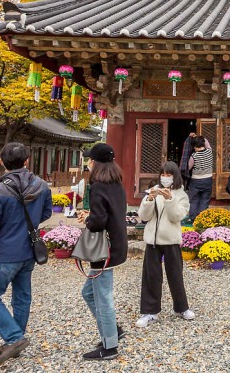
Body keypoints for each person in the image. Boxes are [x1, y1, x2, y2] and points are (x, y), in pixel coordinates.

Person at [0, 143, 52, 367]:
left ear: (2, 162)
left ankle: (14, 337)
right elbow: (46, 212)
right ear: (27, 160)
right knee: (21, 296)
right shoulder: (41, 185)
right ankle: (14, 340)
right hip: (28, 249)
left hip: (4, 252)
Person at [79, 143, 129, 361]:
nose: (88, 163)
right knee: (88, 293)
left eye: (90, 160)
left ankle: (110, 346)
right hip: (116, 244)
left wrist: (88, 220)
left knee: (103, 297)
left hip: (103, 249)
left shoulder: (98, 185)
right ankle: (114, 330)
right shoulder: (116, 182)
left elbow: (98, 220)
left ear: (95, 162)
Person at [137, 161, 193, 327]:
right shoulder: (152, 191)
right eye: (163, 174)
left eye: (169, 175)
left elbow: (177, 217)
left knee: (175, 275)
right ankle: (150, 312)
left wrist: (169, 200)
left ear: (175, 176)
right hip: (152, 240)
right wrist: (148, 199)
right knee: (151, 276)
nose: (165, 178)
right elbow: (144, 216)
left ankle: (181, 307)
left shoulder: (181, 195)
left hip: (171, 240)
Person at [187, 135, 214, 219]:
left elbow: (188, 167)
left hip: (196, 181)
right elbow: (207, 143)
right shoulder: (209, 151)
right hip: (208, 180)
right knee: (205, 200)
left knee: (194, 200)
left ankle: (193, 219)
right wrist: (200, 137)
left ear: (194, 146)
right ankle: (202, 219)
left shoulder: (194, 156)